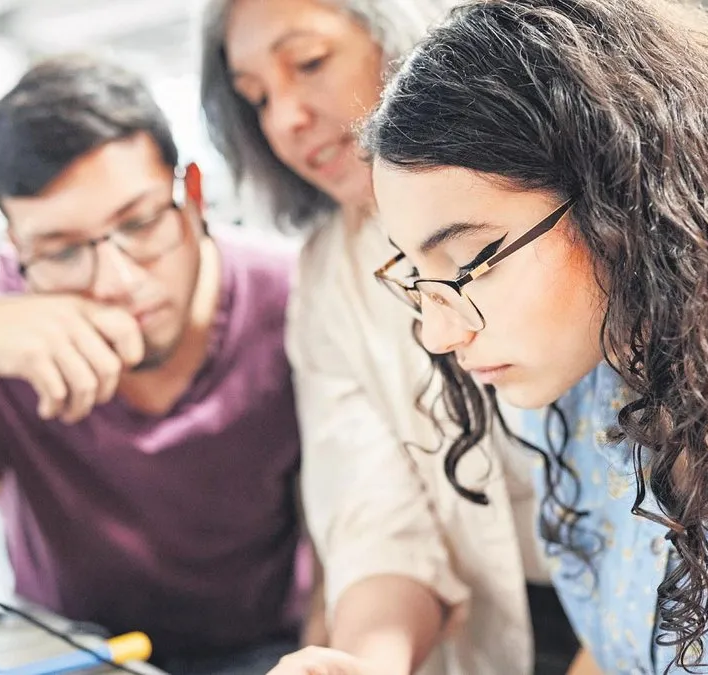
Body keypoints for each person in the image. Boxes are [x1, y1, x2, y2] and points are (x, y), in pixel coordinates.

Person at [348, 0, 708, 673]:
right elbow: (615, 652)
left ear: (623, 191)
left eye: (465, 263)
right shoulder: (583, 383)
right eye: (414, 273)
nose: (435, 330)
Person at [0, 53, 314, 675]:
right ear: (15, 246)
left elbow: (357, 543)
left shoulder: (291, 299)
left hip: (264, 651)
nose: (115, 282)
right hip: (61, 646)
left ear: (192, 194)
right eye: (60, 251)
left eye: (140, 223)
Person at [200, 2, 577, 674]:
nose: (286, 120)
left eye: (310, 63)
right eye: (255, 97)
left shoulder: (573, 201)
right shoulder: (328, 275)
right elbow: (374, 512)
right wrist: (367, 663)